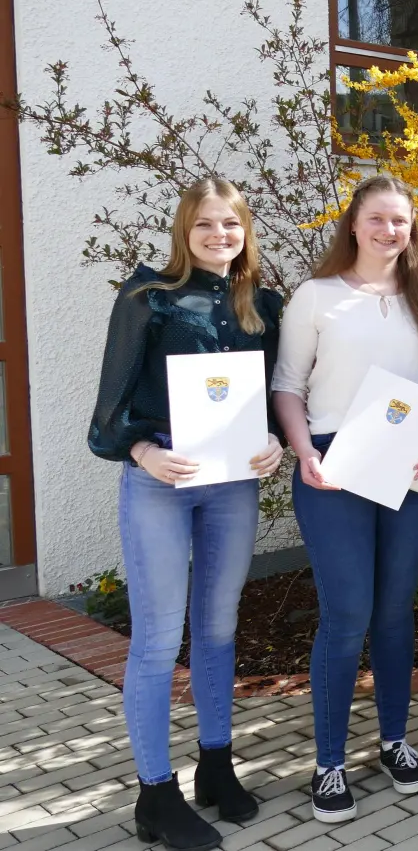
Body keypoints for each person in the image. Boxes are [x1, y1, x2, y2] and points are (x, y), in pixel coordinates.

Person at [88, 177, 283, 851]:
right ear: (184, 231)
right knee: (156, 640)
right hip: (162, 482)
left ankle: (217, 766)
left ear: (244, 229)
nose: (218, 235)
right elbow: (109, 405)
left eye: (230, 223)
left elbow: (270, 399)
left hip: (232, 486)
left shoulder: (263, 303)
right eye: (205, 225)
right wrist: (141, 451)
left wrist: (275, 443)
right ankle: (155, 795)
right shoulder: (148, 297)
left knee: (219, 629)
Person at [271, 175, 418, 823]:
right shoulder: (316, 297)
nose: (388, 231)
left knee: (394, 613)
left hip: (409, 468)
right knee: (347, 613)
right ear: (354, 224)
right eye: (377, 219)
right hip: (333, 466)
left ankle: (394, 743)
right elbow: (288, 386)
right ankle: (329, 764)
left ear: (411, 231)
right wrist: (304, 451)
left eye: (400, 222)